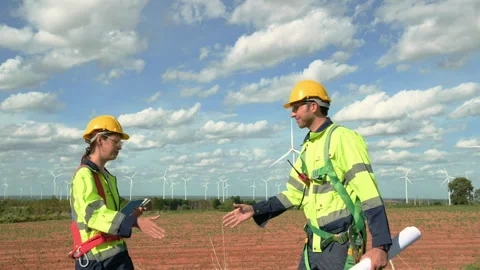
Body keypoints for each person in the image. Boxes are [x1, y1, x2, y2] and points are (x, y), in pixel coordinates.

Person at [222, 80, 392, 270]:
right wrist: (256, 209)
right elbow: (293, 194)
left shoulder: (342, 138)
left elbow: (368, 191)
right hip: (313, 244)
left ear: (313, 106)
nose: (292, 113)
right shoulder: (307, 148)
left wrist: (381, 245)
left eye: (296, 107)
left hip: (341, 243)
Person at [69, 115, 166, 270]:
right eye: (116, 141)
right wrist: (134, 222)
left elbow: (112, 211)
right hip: (97, 259)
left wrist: (133, 214)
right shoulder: (84, 175)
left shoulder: (106, 176)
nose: (120, 146)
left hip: (115, 254)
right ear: (100, 140)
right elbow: (94, 214)